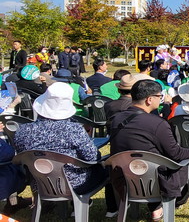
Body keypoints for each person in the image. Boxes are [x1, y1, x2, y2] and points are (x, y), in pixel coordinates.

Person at [14, 83, 117, 217]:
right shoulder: (74, 130)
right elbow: (92, 157)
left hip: (39, 182)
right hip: (75, 184)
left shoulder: (22, 130)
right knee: (107, 168)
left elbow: (21, 155)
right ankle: (112, 210)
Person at [110, 80, 189, 220]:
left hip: (123, 179)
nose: (161, 99)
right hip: (155, 182)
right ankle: (174, 202)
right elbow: (175, 153)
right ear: (149, 99)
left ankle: (155, 207)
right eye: (160, 96)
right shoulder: (158, 123)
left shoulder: (116, 119)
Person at [0, 137, 30, 216]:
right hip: (5, 181)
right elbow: (9, 153)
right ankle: (12, 205)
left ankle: (14, 203)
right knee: (24, 171)